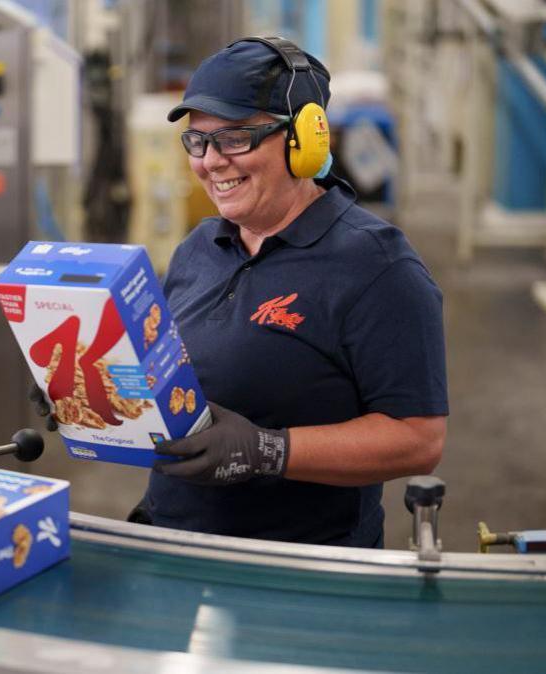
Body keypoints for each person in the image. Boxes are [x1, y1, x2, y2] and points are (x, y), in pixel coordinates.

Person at [132, 37, 448, 548]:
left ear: (305, 141)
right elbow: (168, 375)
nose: (211, 162)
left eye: (235, 138)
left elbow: (418, 440)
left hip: (300, 570)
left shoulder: (376, 268)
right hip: (176, 544)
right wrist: (94, 390)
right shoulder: (199, 248)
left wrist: (268, 450)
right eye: (198, 142)